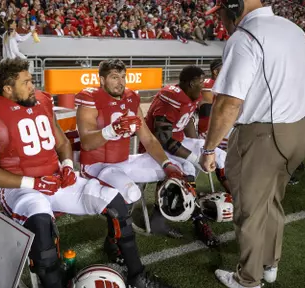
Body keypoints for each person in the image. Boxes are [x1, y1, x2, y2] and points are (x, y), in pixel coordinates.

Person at [0, 58, 179, 288]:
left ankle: (137, 275)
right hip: (21, 188)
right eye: (26, 82)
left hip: (55, 179)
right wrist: (33, 183)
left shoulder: (42, 101)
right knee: (42, 228)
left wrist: (67, 165)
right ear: (7, 89)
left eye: (31, 80)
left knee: (115, 201)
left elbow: (62, 143)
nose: (33, 86)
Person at [202, 0, 305, 288]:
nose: (220, 19)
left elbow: (228, 103)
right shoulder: (294, 29)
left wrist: (209, 149)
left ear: (235, 6)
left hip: (263, 134)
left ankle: (248, 280)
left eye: (222, 11)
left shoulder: (245, 37)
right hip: (299, 130)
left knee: (249, 211)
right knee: (273, 202)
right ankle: (269, 265)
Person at [75, 59, 206, 243]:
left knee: (180, 170)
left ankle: (159, 221)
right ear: (102, 80)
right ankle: (114, 241)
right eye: (114, 77)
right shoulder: (90, 99)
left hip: (122, 161)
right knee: (131, 193)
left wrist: (167, 164)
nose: (121, 82)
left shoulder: (130, 98)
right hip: (96, 165)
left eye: (123, 77)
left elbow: (149, 139)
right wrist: (112, 130)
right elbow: (87, 143)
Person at [143, 65, 227, 246]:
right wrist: (194, 157)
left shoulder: (189, 95)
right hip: (157, 148)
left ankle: (191, 208)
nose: (203, 86)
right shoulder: (170, 99)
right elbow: (163, 139)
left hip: (176, 142)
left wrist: (196, 143)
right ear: (190, 84)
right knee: (187, 167)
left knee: (217, 154)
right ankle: (195, 219)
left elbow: (187, 119)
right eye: (200, 82)